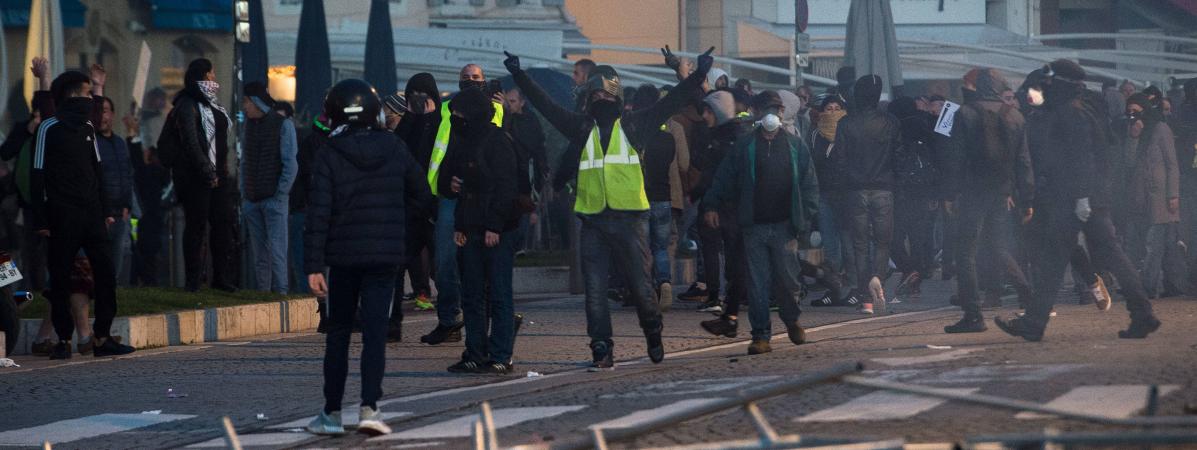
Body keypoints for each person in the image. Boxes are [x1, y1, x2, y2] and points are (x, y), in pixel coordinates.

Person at [505, 47, 715, 370]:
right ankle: (601, 347)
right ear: (589, 97)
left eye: (606, 91)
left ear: (615, 94)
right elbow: (547, 107)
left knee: (642, 286)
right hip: (593, 221)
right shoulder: (580, 128)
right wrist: (520, 76)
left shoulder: (636, 126)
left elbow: (671, 102)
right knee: (594, 291)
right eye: (596, 92)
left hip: (630, 220)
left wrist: (699, 76)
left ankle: (652, 330)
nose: (601, 97)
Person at [995, 59, 1161, 341]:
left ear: (1061, 82)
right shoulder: (1079, 107)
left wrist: (1082, 198)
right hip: (1083, 198)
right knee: (1099, 256)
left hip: (1077, 199)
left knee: (1063, 260)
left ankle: (1035, 323)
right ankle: (1142, 314)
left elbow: (1083, 156)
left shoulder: (1071, 112)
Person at [304, 79, 432, 437]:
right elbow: (422, 195)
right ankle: (370, 407)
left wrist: (313, 265)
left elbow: (318, 213)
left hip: (343, 258)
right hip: (385, 256)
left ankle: (331, 412)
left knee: (339, 334)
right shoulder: (394, 147)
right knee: (376, 333)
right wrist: (398, 227)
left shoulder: (329, 152)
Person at [698, 91, 819, 354]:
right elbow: (724, 178)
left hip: (785, 226)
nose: (771, 116)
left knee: (788, 281)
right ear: (757, 115)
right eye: (766, 111)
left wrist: (805, 217)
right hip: (754, 227)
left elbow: (809, 185)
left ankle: (791, 319)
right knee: (757, 284)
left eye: (775, 110)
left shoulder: (795, 146)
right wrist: (711, 203)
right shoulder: (744, 146)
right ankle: (760, 335)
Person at [31, 70, 135, 359]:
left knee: (105, 276)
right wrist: (41, 219)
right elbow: (36, 175)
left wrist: (105, 210)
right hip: (61, 216)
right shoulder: (49, 128)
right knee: (61, 279)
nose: (92, 100)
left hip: (92, 216)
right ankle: (63, 340)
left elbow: (97, 169)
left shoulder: (88, 128)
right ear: (73, 95)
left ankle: (101, 337)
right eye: (88, 94)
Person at [418, 64, 507, 345]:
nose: (470, 81)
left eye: (476, 78)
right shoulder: (445, 109)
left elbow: (504, 157)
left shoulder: (499, 110)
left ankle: (488, 326)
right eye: (466, 78)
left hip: (482, 198)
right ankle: (449, 320)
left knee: (481, 264)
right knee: (445, 262)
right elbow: (437, 149)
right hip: (449, 196)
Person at [941, 69, 1035, 333]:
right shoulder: (1015, 115)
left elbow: (954, 159)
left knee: (966, 251)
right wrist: (1027, 198)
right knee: (998, 246)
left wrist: (949, 193)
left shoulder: (965, 113)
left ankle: (973, 315)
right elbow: (1024, 162)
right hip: (1002, 191)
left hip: (973, 190)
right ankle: (1029, 296)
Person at [439, 89, 520, 374]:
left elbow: (506, 187)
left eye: (460, 115)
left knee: (499, 293)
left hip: (496, 230)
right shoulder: (461, 142)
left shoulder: (497, 142)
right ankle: (475, 352)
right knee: (472, 294)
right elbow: (447, 180)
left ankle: (501, 354)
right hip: (469, 228)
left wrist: (494, 225)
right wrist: (453, 189)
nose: (456, 120)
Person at [162, 58, 238, 293]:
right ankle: (193, 279)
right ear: (200, 77)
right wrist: (207, 170)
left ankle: (220, 277)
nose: (214, 78)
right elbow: (191, 143)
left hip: (219, 175)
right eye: (210, 74)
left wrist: (219, 172)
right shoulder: (186, 105)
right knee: (196, 227)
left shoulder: (213, 105)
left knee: (222, 225)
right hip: (195, 177)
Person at [830, 75, 901, 314]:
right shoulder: (890, 122)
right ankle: (878, 279)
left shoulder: (845, 124)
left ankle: (865, 300)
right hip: (884, 188)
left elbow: (839, 161)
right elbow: (898, 156)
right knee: (883, 242)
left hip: (855, 190)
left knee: (859, 244)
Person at [630, 84, 688, 310]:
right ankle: (664, 281)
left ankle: (646, 291)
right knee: (662, 246)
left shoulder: (634, 140)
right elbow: (680, 164)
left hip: (641, 198)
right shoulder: (668, 138)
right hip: (664, 198)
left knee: (643, 248)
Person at [240, 81, 298, 294]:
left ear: (256, 102)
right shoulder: (256, 125)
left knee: (273, 250)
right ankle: (267, 292)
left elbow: (290, 164)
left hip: (268, 198)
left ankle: (278, 291)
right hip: (258, 197)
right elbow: (246, 161)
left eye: (246, 102)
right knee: (267, 251)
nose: (244, 107)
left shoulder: (282, 125)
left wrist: (280, 194)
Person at [1123, 93, 1181, 298]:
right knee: (1137, 244)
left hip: (1159, 196)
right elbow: (1128, 163)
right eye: (1129, 112)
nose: (1132, 115)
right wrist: (1133, 137)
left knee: (1154, 245)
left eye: (1135, 111)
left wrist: (1173, 194)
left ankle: (1149, 287)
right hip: (1138, 196)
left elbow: (1172, 164)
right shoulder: (1132, 131)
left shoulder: (1160, 128)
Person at [887, 97, 941, 301]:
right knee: (918, 237)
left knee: (894, 237)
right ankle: (916, 277)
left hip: (901, 191)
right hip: (923, 190)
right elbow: (936, 157)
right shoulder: (925, 126)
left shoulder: (895, 129)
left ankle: (909, 270)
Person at [93, 96, 135, 286]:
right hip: (100, 213)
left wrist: (127, 205)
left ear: (113, 114)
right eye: (100, 111)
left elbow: (127, 174)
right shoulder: (91, 142)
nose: (104, 117)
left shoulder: (119, 143)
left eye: (107, 111)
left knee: (116, 264)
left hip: (120, 213)